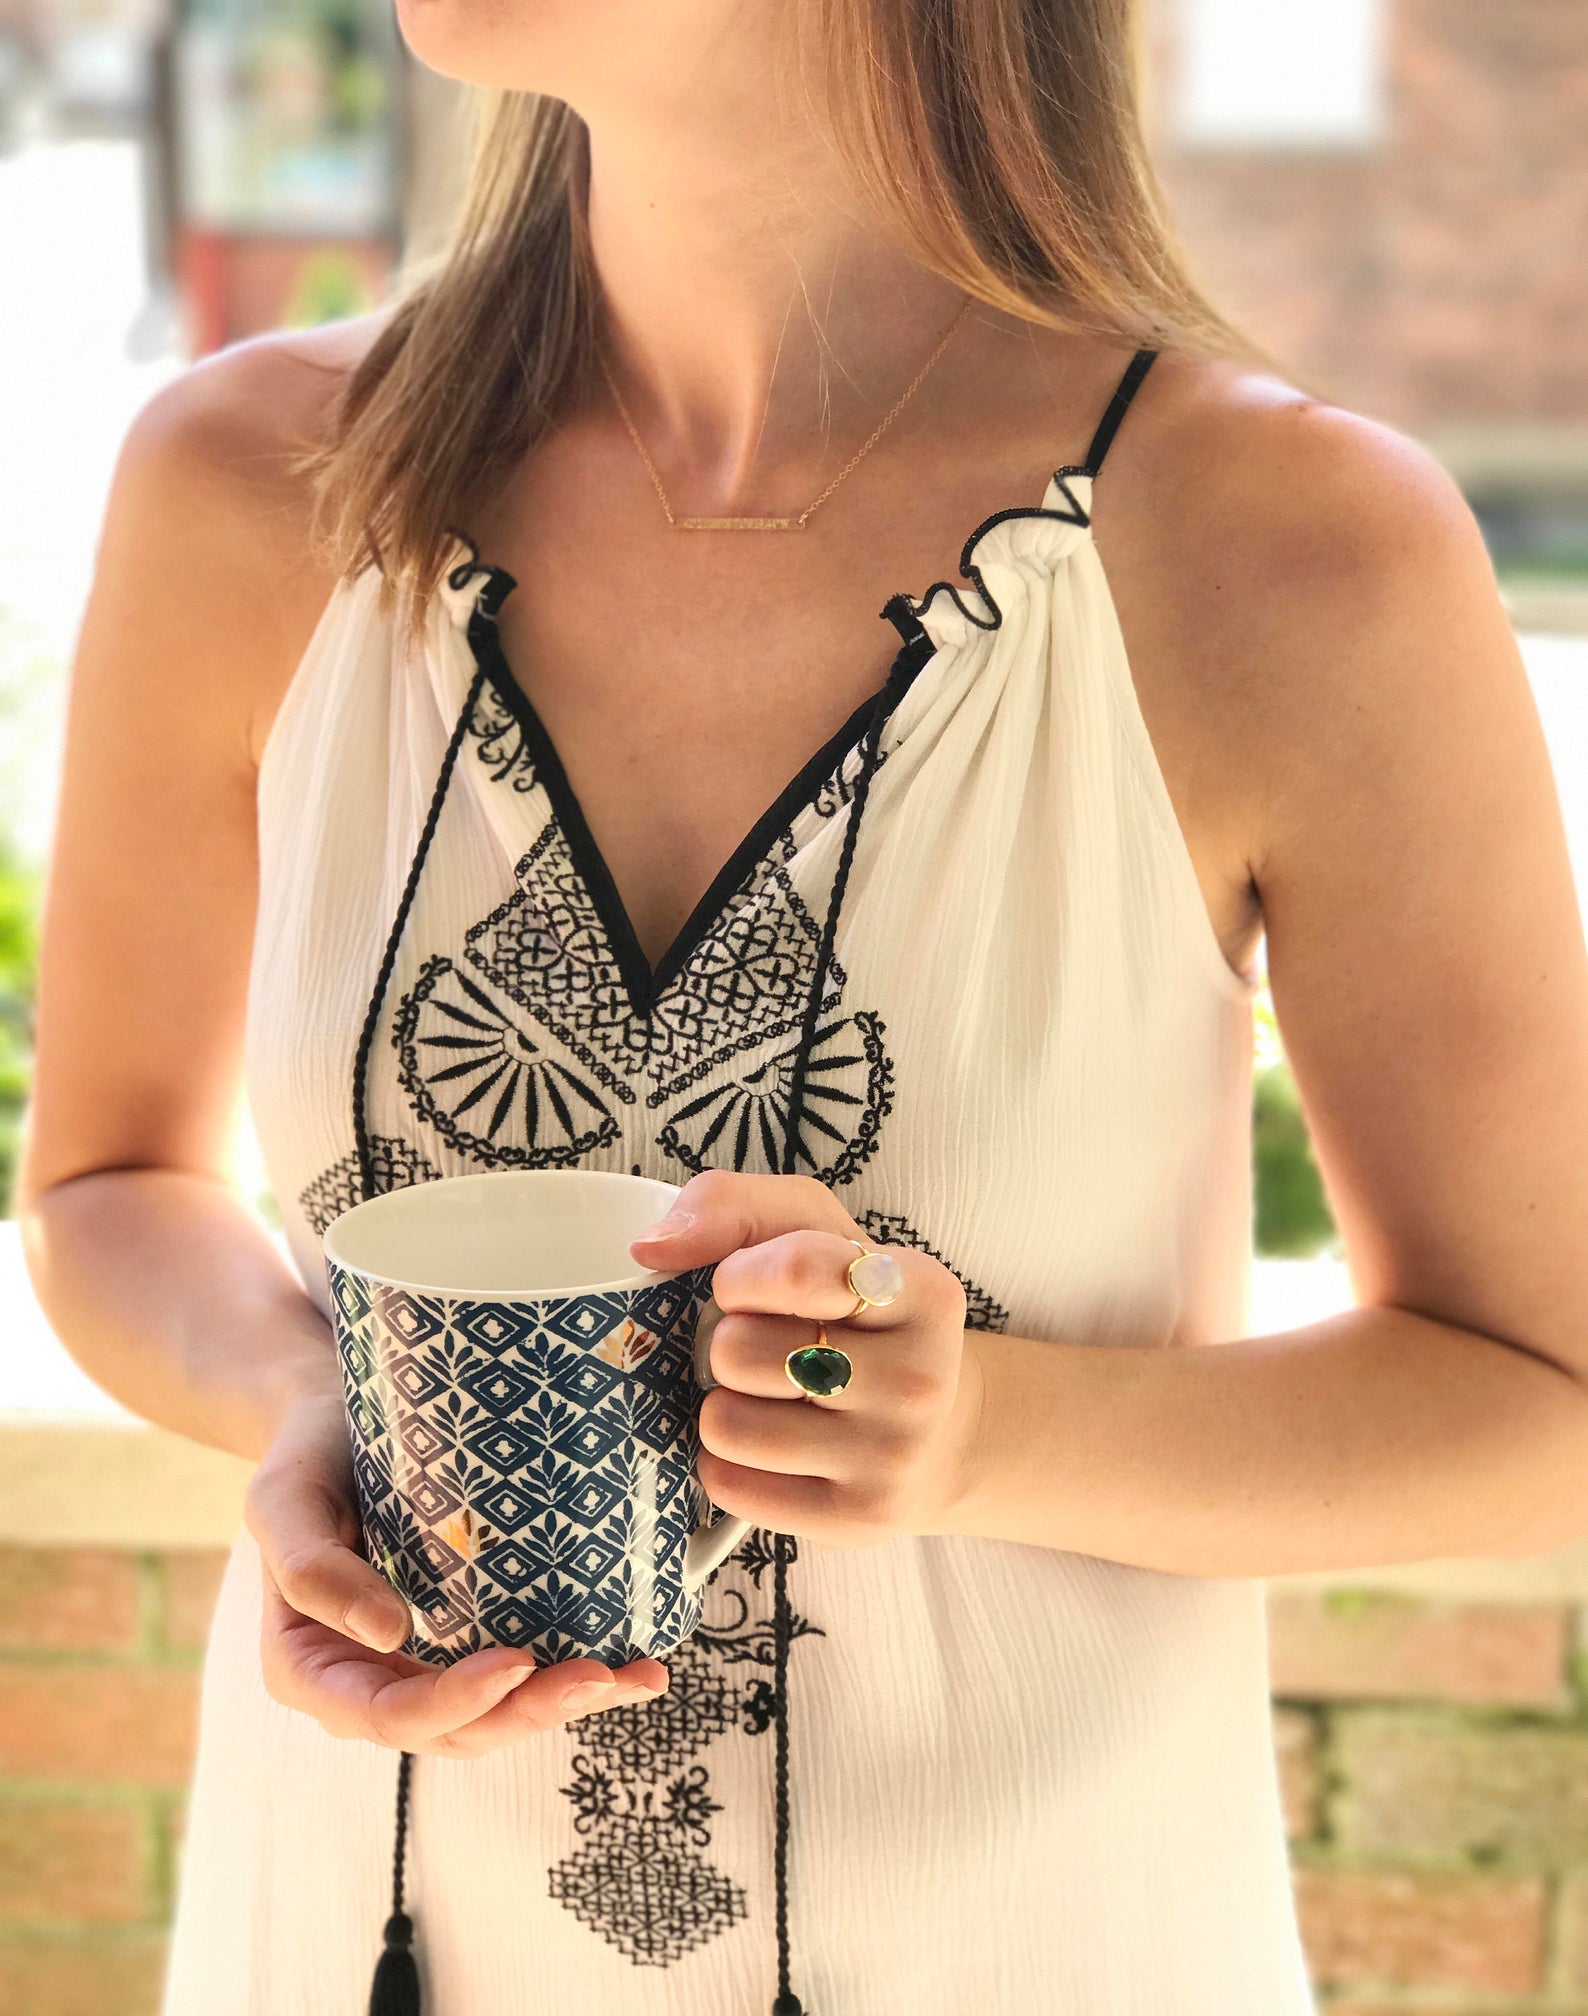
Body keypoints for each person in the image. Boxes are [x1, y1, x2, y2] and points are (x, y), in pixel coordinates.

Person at [18, 1, 1588, 2011]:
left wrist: (978, 1433)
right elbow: (105, 1184)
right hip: (340, 1949)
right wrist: (317, 1409)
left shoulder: (1292, 557)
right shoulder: (247, 489)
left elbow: (1539, 1393)